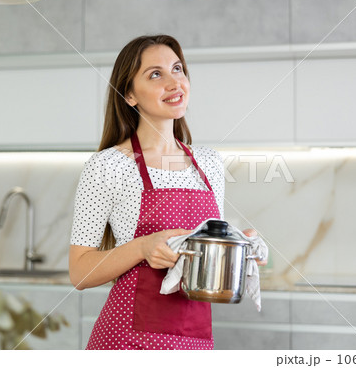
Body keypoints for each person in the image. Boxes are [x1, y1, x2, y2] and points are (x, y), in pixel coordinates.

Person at [69, 34, 265, 350]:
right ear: (130, 94)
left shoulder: (210, 163)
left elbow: (200, 250)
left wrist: (239, 245)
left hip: (194, 340)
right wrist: (141, 247)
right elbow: (79, 272)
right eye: (156, 74)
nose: (174, 82)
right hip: (128, 341)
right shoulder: (108, 165)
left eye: (177, 69)